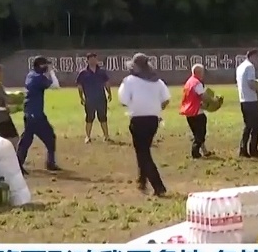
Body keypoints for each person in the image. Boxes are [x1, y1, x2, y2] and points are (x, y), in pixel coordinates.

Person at [119, 53, 170, 196]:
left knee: (143, 153)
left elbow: (123, 100)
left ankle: (158, 185)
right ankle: (142, 179)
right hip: (153, 120)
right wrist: (155, 108)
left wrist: (135, 104)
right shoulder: (157, 81)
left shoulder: (129, 81)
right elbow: (166, 99)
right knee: (143, 149)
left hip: (138, 119)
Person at [18, 56, 62, 173]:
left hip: (30, 113)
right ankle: (50, 163)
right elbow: (56, 86)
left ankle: (19, 164)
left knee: (27, 139)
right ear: (40, 65)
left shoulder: (31, 75)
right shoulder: (38, 78)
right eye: (45, 65)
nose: (47, 67)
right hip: (36, 115)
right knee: (49, 137)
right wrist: (51, 72)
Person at [76, 53, 112, 143]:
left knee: (103, 117)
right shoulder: (83, 73)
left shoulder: (102, 72)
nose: (93, 61)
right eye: (90, 59)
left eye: (94, 59)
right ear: (87, 61)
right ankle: (87, 137)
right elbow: (79, 86)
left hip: (101, 98)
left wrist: (109, 93)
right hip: (89, 99)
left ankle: (106, 136)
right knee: (89, 118)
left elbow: (106, 83)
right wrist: (81, 97)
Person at [180, 64, 212, 159]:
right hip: (196, 111)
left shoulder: (189, 82)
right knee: (201, 133)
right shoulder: (197, 83)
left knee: (196, 133)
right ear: (198, 72)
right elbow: (202, 96)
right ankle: (195, 152)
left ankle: (204, 151)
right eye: (202, 72)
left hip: (188, 111)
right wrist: (212, 101)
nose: (203, 74)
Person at [235, 49, 258, 158]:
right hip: (251, 101)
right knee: (256, 127)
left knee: (248, 126)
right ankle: (253, 150)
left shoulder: (240, 67)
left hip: (243, 100)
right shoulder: (250, 67)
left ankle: (243, 149)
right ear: (252, 56)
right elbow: (251, 83)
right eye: (257, 57)